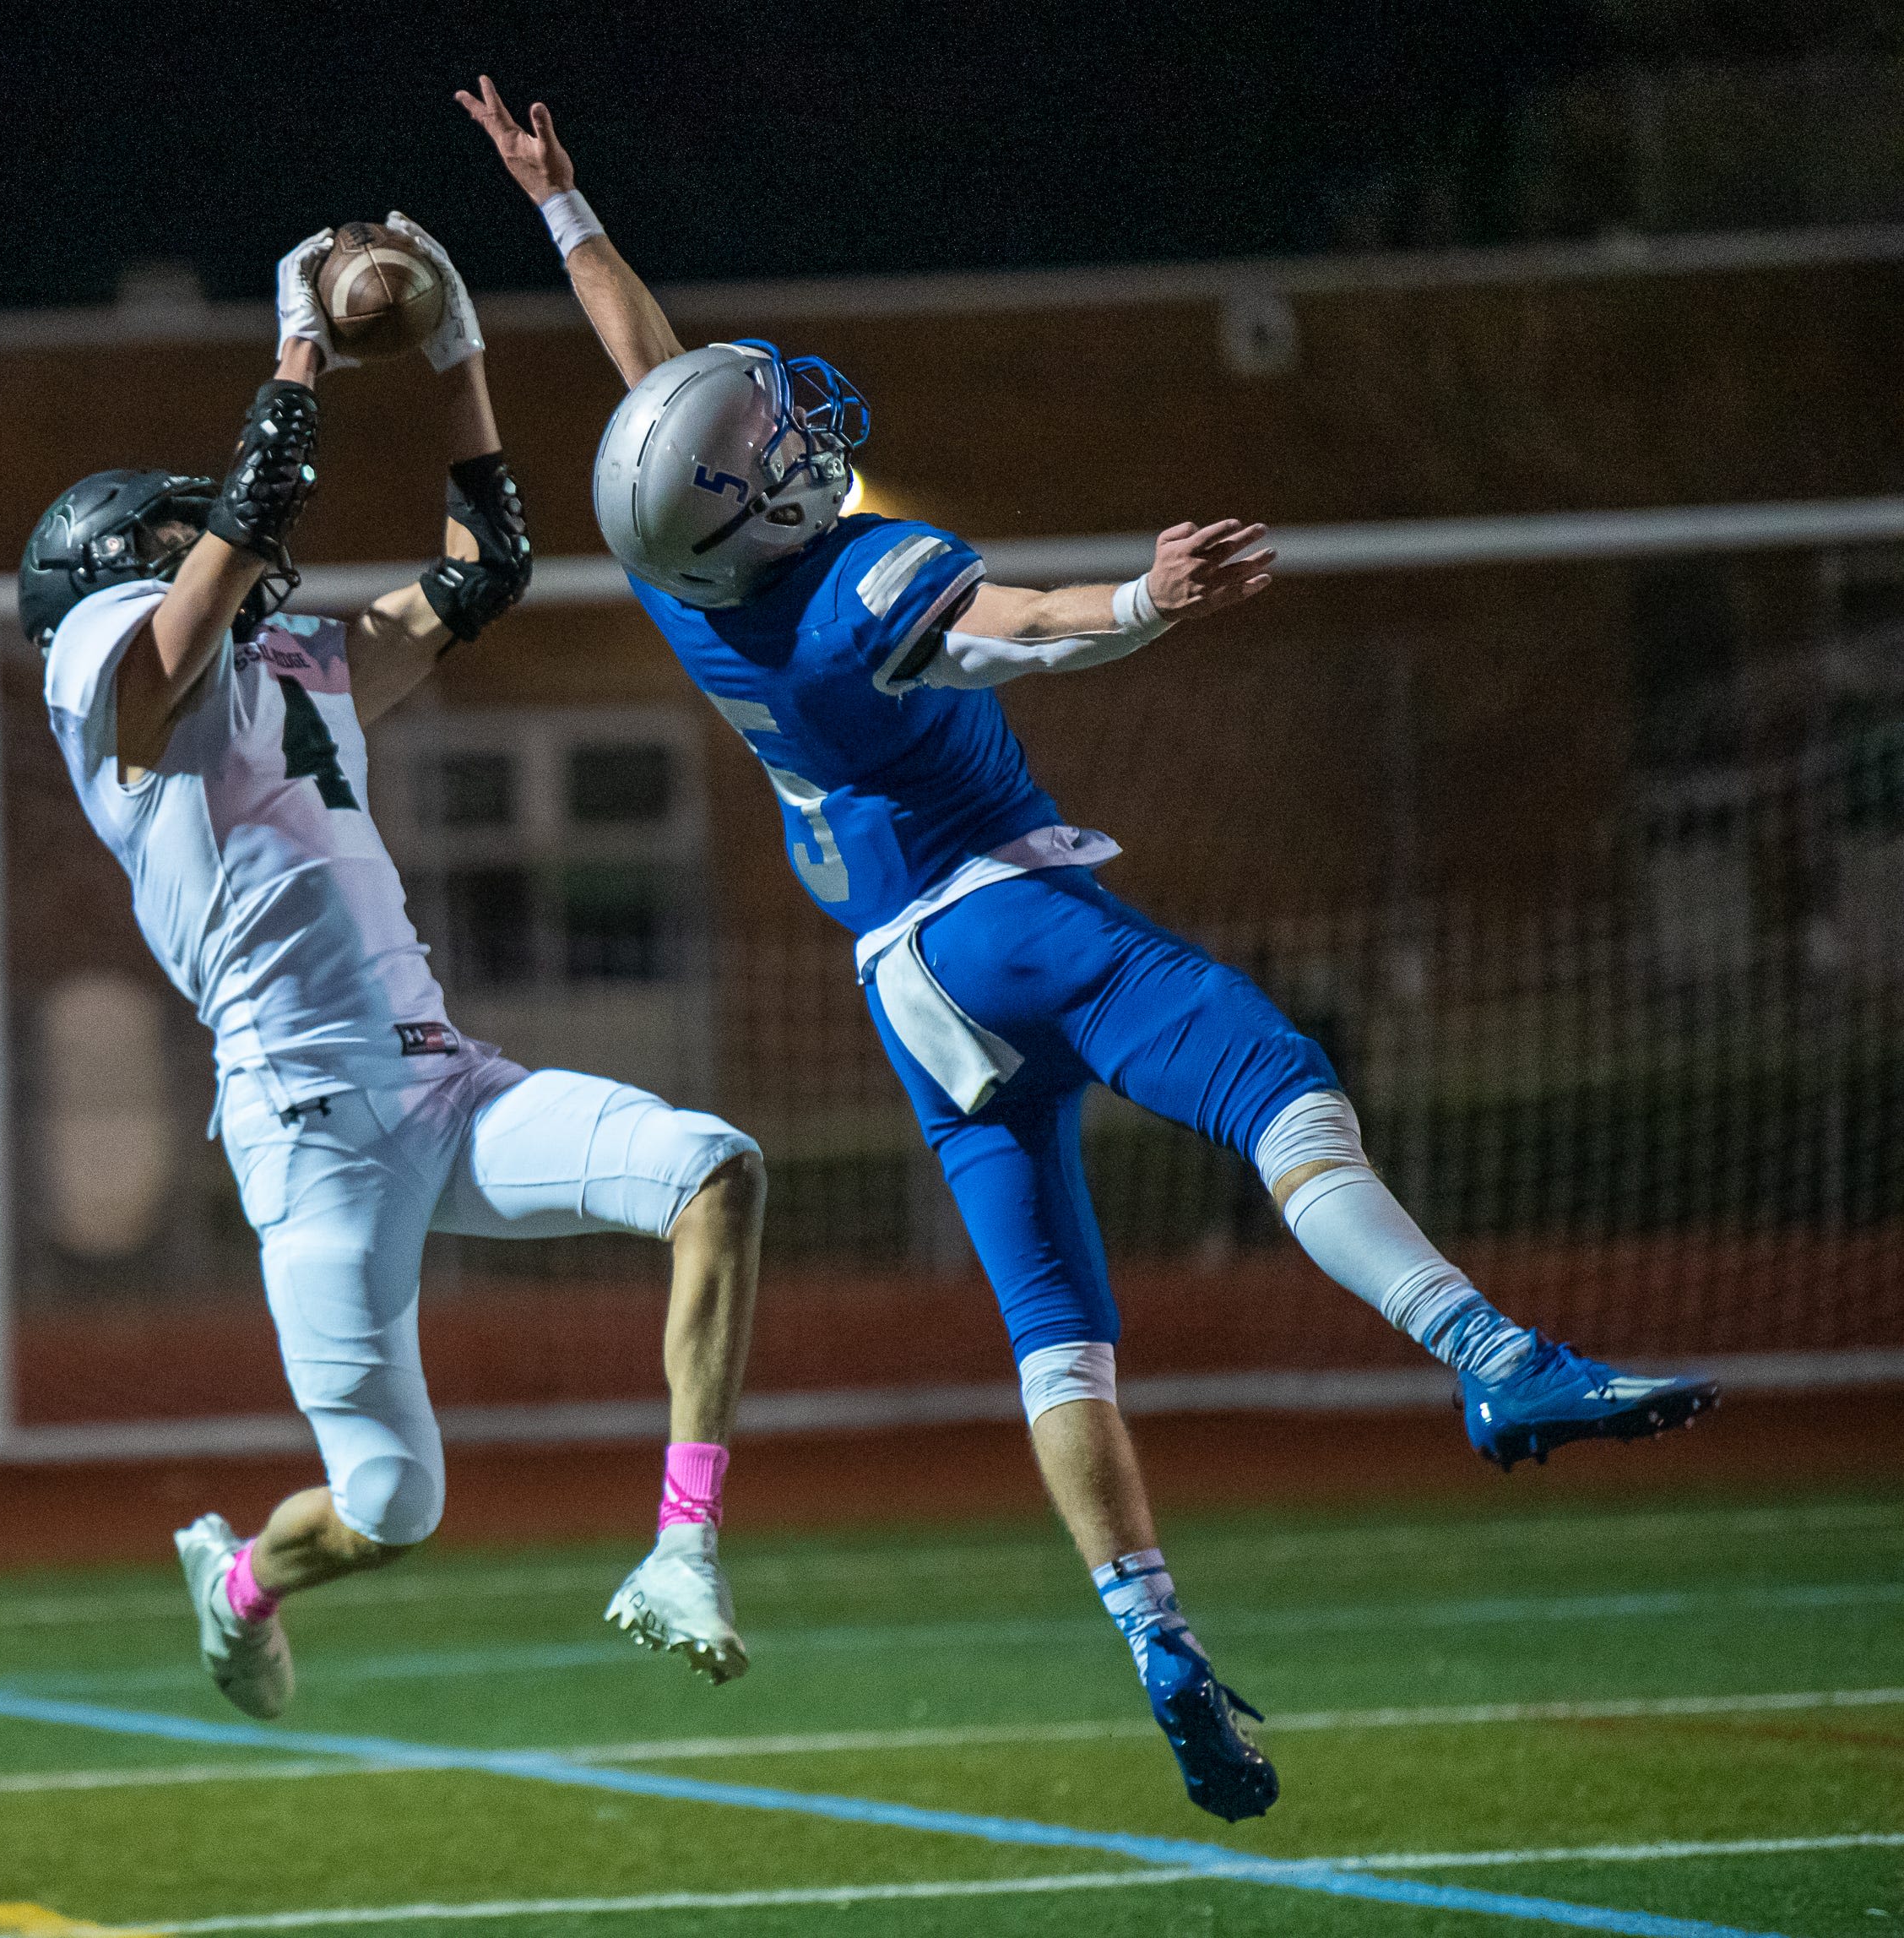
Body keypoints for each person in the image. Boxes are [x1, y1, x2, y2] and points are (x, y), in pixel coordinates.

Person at [458, 78, 1718, 1821]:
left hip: (904, 992)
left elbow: (650, 387)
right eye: (767, 449)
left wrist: (561, 211)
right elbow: (1019, 631)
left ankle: (1151, 1634)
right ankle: (1490, 1354)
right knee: (1275, 1075)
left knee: (1057, 1333)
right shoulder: (859, 588)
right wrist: (1143, 599)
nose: (791, 435)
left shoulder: (694, 586)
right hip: (1007, 917)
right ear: (746, 508)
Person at [25, 216, 768, 1721]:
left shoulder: (286, 659)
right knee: (393, 1507)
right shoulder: (110, 671)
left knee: (718, 1171)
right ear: (115, 562)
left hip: (443, 1085)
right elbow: (221, 558)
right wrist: (298, 344)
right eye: (178, 534)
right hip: (308, 1135)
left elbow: (485, 567)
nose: (216, 539)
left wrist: (456, 354)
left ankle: (685, 1544)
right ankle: (240, 1583)